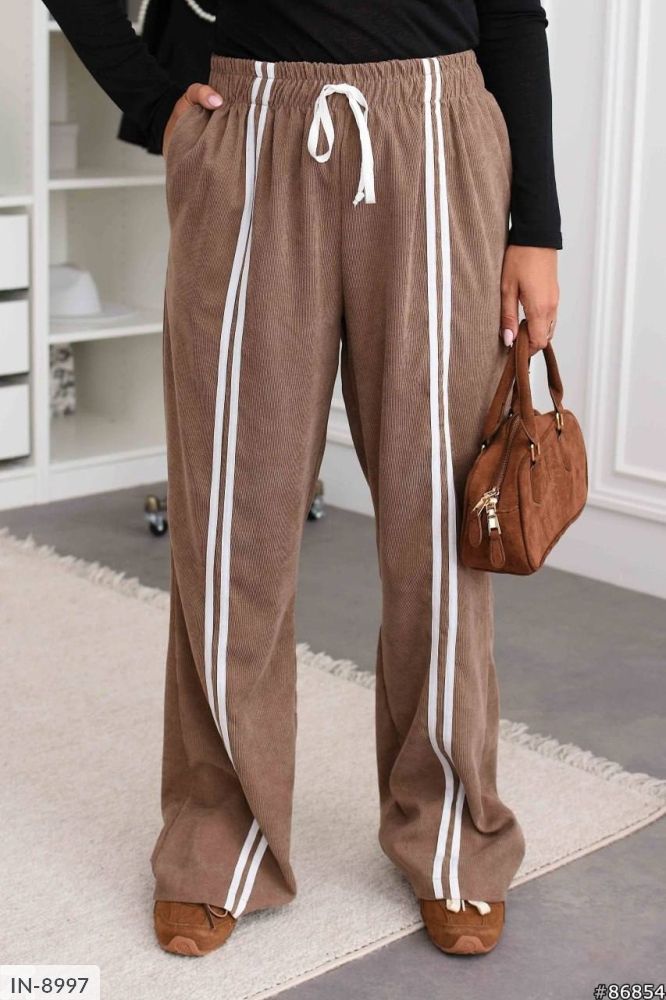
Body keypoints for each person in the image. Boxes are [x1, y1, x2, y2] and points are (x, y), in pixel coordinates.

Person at [45, 0, 561, 959]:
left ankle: (452, 832)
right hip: (250, 133)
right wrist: (152, 100)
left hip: (438, 131)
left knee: (438, 526)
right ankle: (218, 836)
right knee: (231, 520)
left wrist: (537, 225)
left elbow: (512, 12)